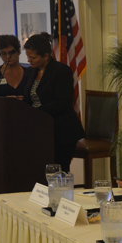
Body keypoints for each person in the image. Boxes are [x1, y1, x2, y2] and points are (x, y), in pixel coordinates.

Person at [23, 33, 85, 172]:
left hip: (61, 130)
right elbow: (27, 99)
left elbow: (63, 102)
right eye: (28, 57)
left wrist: (36, 113)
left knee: (59, 171)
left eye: (33, 57)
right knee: (38, 171)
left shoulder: (61, 71)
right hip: (38, 130)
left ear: (46, 56)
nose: (29, 60)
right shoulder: (30, 72)